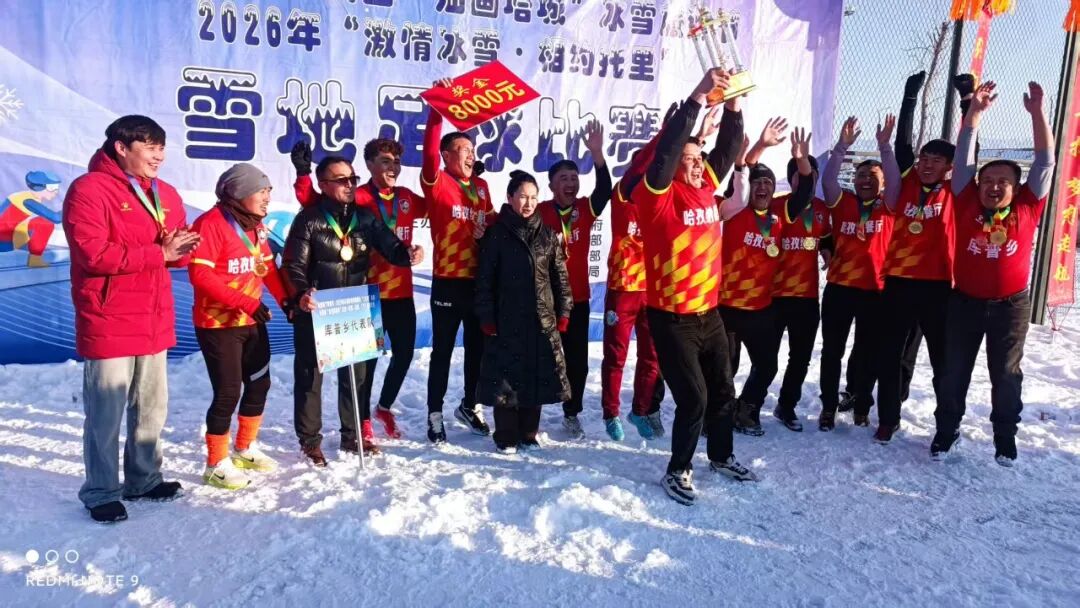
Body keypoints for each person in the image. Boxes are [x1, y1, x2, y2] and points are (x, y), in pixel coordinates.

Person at [63, 115, 200, 523]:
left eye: (162, 148)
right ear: (121, 148)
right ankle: (101, 491)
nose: (159, 156)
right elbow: (93, 254)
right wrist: (160, 253)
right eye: (150, 147)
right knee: (106, 414)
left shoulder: (165, 192)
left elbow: (176, 251)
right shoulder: (89, 189)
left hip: (154, 316)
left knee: (151, 407)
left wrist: (184, 247)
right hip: (109, 316)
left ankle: (144, 479)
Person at [632, 69, 756, 506]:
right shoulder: (656, 197)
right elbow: (669, 148)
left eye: (698, 157)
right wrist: (699, 95)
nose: (696, 163)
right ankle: (677, 469)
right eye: (688, 159)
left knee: (723, 389)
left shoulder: (705, 189)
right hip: (672, 320)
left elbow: (728, 147)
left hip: (710, 315)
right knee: (694, 398)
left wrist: (734, 102)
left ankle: (721, 456)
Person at [931, 81, 1054, 465]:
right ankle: (946, 430)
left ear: (1017, 188)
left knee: (1006, 374)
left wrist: (1037, 114)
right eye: (987, 180)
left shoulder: (1028, 206)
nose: (993, 187)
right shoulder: (965, 199)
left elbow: (1045, 161)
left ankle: (1004, 437)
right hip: (964, 303)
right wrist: (974, 113)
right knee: (953, 372)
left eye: (1003, 182)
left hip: (1010, 306)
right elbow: (965, 157)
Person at [282, 155, 423, 466]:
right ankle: (310, 442)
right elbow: (292, 265)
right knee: (310, 377)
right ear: (323, 185)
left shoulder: (365, 218)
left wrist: (409, 253)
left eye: (352, 179)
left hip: (354, 306)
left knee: (356, 376)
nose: (349, 185)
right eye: (341, 180)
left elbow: (392, 247)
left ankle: (352, 435)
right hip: (317, 307)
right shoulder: (309, 219)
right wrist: (302, 294)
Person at [189, 164, 289, 490]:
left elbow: (266, 268)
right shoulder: (210, 224)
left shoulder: (256, 226)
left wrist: (287, 302)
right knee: (228, 392)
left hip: (251, 320)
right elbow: (200, 275)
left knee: (259, 384)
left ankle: (245, 448)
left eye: (269, 191)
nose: (267, 198)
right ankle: (215, 464)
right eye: (262, 191)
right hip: (218, 324)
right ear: (239, 193)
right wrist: (246, 302)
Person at [873, 75, 958, 445]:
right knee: (890, 353)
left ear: (949, 166)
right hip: (898, 281)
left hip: (939, 287)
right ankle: (888, 418)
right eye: (925, 158)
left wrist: (967, 100)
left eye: (936, 161)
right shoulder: (907, 181)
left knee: (942, 359)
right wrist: (910, 97)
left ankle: (946, 426)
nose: (926, 165)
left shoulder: (956, 189)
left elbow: (969, 150)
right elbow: (903, 145)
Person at [421, 78, 496, 443]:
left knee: (477, 350)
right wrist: (438, 109)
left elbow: (492, 221)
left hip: (478, 283)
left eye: (472, 149)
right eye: (463, 149)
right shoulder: (437, 182)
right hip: (448, 282)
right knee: (443, 352)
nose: (470, 155)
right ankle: (434, 413)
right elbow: (428, 151)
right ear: (447, 155)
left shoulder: (481, 187)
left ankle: (470, 404)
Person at [475, 170, 573, 452]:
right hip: (506, 319)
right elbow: (484, 281)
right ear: (510, 198)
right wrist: (487, 318)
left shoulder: (548, 235)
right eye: (522, 197)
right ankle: (505, 436)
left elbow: (560, 278)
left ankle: (529, 434)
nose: (528, 203)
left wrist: (564, 312)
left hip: (541, 320)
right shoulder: (497, 234)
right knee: (505, 380)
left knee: (535, 376)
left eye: (533, 197)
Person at [600, 109, 676, 441]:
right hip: (624, 288)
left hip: (655, 291)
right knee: (616, 355)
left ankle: (640, 409)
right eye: (642, 171)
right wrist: (666, 134)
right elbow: (642, 164)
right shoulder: (623, 197)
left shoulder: (660, 204)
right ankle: (610, 413)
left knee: (653, 355)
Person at [818, 117, 897, 432]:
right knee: (832, 351)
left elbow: (895, 178)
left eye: (873, 176)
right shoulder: (844, 202)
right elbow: (828, 181)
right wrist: (841, 147)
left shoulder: (888, 205)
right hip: (840, 288)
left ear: (883, 182)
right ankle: (828, 407)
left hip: (875, 290)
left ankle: (861, 405)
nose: (865, 180)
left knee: (867, 353)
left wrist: (884, 147)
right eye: (861, 175)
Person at [536, 120, 612, 439]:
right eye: (563, 179)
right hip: (545, 300)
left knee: (577, 362)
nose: (570, 183)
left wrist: (597, 154)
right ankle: (530, 414)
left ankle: (572, 413)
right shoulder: (539, 212)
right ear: (552, 185)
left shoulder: (585, 208)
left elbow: (605, 190)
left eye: (573, 178)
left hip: (577, 300)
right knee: (540, 358)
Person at [758, 125, 828, 433]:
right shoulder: (777, 206)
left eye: (811, 173)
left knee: (800, 357)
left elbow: (828, 238)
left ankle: (787, 405)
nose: (806, 179)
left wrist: (828, 250)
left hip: (807, 297)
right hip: (774, 295)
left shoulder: (823, 210)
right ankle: (751, 404)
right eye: (800, 174)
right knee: (766, 356)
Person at [1, 170, 63, 267]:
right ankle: (35, 260)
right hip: (4, 242)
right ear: (39, 187)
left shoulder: (22, 196)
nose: (56, 192)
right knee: (46, 223)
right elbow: (56, 218)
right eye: (52, 188)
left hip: (8, 236)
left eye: (57, 187)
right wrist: (72, 206)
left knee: (39, 221)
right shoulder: (28, 201)